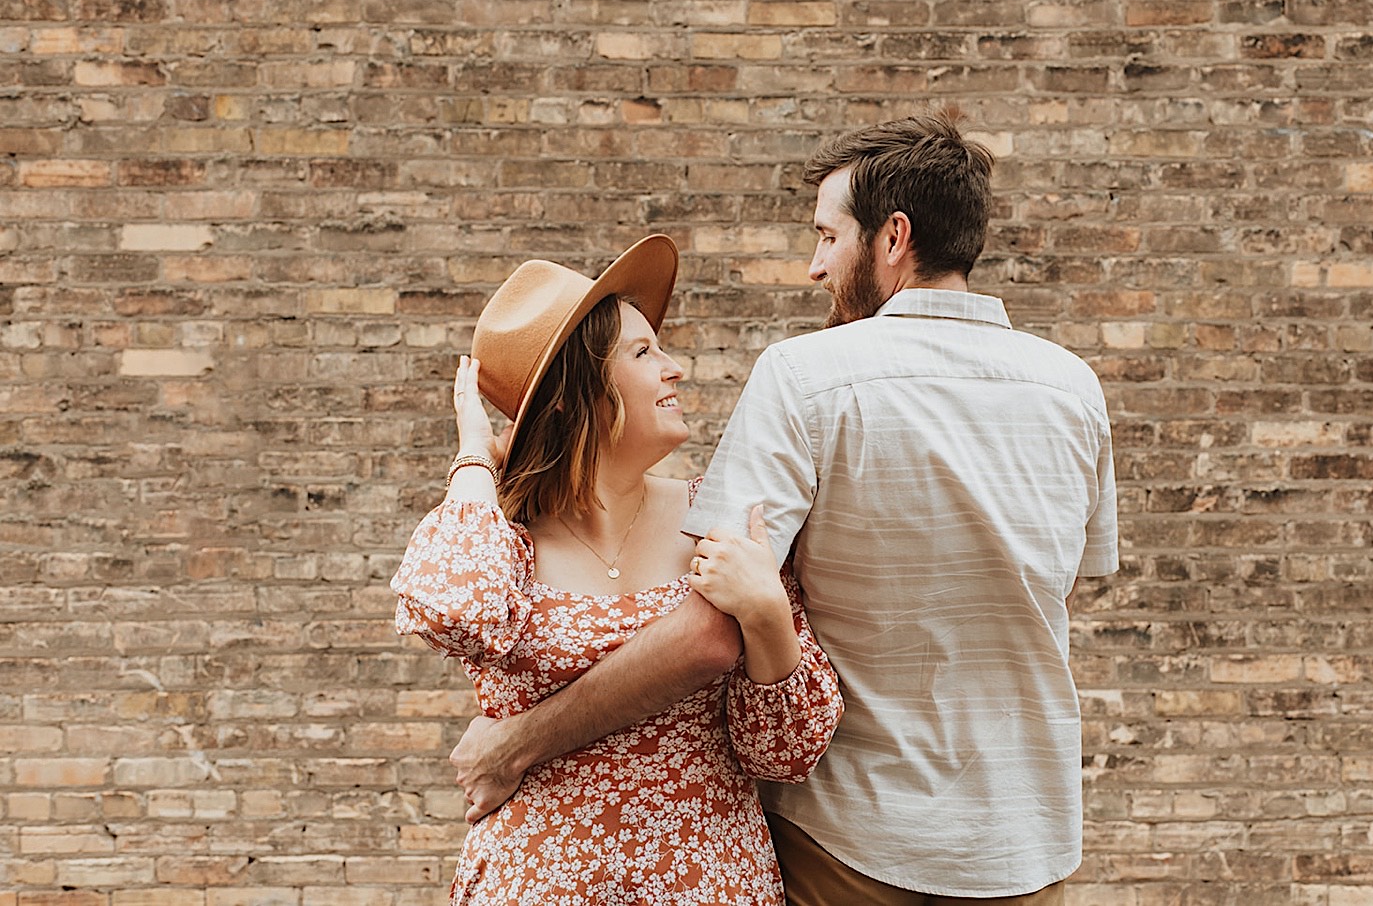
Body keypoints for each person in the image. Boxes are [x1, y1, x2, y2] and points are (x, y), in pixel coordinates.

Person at [451, 111, 1118, 905]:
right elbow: (1070, 580)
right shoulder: (1073, 388)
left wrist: (518, 743)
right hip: (1025, 844)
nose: (813, 267)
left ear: (892, 237)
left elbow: (709, 628)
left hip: (853, 844)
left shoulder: (807, 376)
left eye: (828, 238)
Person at [389, 234, 842, 904]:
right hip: (537, 885)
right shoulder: (502, 539)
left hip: (705, 883)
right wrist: (475, 460)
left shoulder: (714, 519)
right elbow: (456, 610)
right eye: (642, 352)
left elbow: (783, 752)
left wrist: (770, 615)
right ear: (576, 396)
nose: (675, 367)